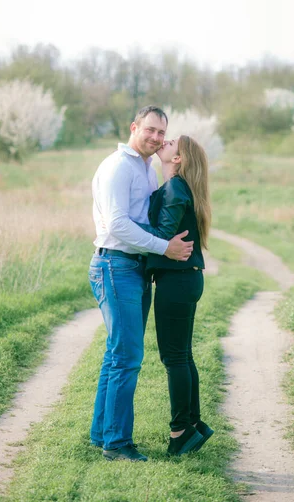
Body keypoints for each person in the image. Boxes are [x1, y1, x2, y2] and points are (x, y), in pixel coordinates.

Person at [88, 106, 194, 462]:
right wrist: (165, 247)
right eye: (150, 130)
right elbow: (118, 225)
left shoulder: (145, 169)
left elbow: (151, 215)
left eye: (162, 133)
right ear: (134, 127)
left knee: (117, 353)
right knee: (128, 356)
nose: (156, 138)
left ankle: (102, 433)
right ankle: (117, 444)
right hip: (115, 265)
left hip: (133, 269)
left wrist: (167, 169)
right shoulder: (119, 167)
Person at [136, 135, 214, 456]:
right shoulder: (182, 189)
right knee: (183, 354)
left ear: (178, 159)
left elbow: (163, 237)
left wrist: (127, 232)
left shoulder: (174, 189)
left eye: (170, 143)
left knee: (175, 357)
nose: (163, 142)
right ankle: (193, 425)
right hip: (186, 280)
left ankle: (180, 431)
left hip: (177, 281)